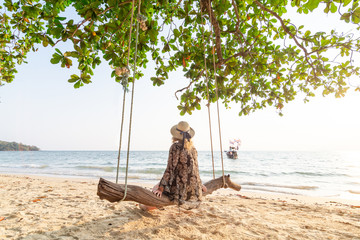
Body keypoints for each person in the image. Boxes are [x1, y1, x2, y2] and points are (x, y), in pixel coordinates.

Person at [141, 121, 206, 211]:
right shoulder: (193, 148)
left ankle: (144, 207)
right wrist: (199, 184)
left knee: (156, 189)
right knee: (159, 186)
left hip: (180, 190)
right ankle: (149, 205)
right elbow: (195, 168)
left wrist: (160, 188)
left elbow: (170, 169)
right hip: (194, 189)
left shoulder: (175, 147)